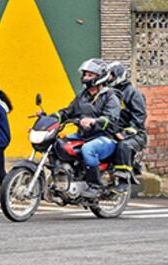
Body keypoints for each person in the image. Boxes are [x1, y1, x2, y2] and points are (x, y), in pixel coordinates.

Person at [52, 58, 122, 199]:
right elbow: (68, 111)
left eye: (90, 75)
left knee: (88, 149)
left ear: (100, 77)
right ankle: (62, 179)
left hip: (105, 137)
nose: (85, 78)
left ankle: (94, 186)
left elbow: (111, 119)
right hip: (83, 135)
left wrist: (94, 121)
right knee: (56, 143)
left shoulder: (110, 97)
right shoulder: (82, 96)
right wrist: (52, 117)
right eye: (85, 74)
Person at [107, 61, 148, 189]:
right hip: (113, 130)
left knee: (122, 145)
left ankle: (124, 178)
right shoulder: (107, 93)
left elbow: (139, 116)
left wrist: (128, 131)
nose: (109, 78)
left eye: (111, 76)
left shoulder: (132, 93)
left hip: (134, 134)